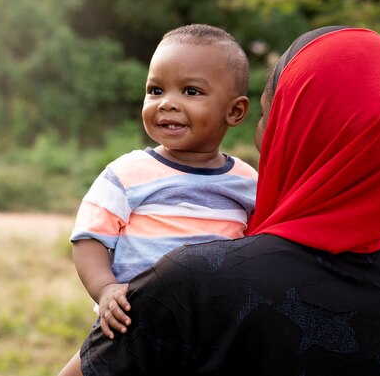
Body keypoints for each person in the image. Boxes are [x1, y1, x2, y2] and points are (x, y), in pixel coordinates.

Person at [78, 26, 380, 376]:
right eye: (156, 90)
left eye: (267, 116)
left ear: (299, 133)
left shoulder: (195, 279)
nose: (262, 139)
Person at [57, 24, 258, 376]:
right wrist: (105, 291)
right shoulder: (127, 173)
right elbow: (89, 237)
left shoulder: (247, 183)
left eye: (191, 91)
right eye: (156, 90)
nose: (167, 103)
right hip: (134, 323)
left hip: (214, 332)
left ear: (235, 112)